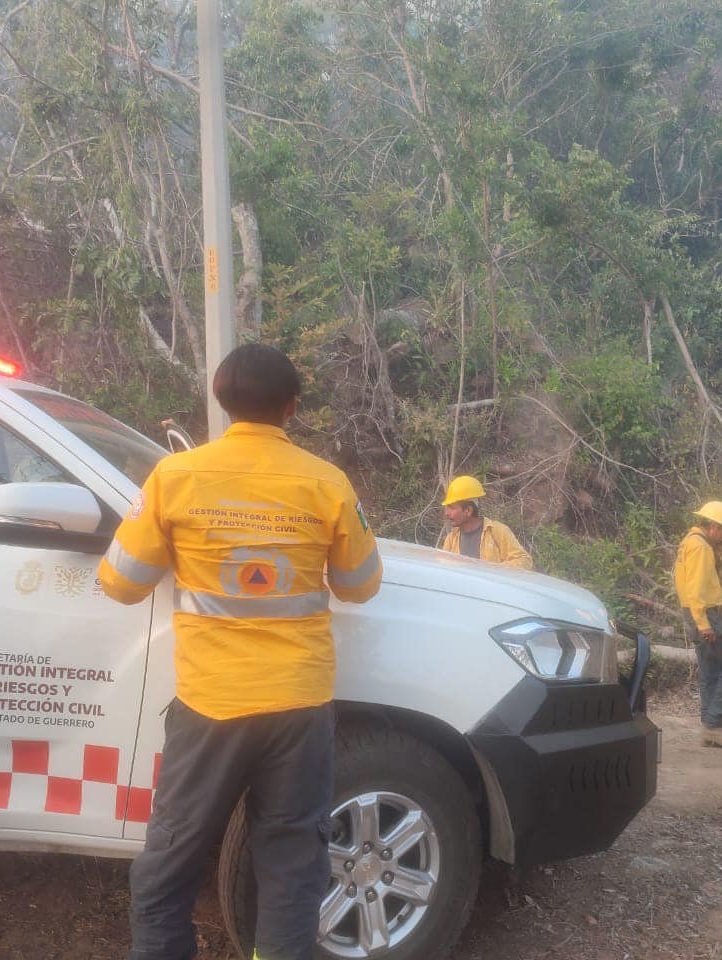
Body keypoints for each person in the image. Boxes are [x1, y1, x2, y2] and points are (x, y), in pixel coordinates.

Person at [99, 343, 383, 960]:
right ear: (292, 407)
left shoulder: (176, 477)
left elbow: (121, 583)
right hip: (300, 707)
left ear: (222, 402)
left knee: (170, 862)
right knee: (290, 866)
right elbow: (360, 586)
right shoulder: (326, 482)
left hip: (210, 705)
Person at [673, 500, 722, 748]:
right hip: (705, 615)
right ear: (713, 526)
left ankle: (709, 728)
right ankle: (714, 725)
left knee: (710, 671)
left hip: (694, 613)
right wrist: (704, 624)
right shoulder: (700, 547)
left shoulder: (689, 542)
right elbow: (696, 589)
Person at [439, 475, 533, 569]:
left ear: (468, 510)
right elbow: (444, 569)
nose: (446, 513)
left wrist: (493, 570)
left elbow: (524, 560)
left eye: (451, 508)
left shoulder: (497, 531)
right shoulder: (451, 539)